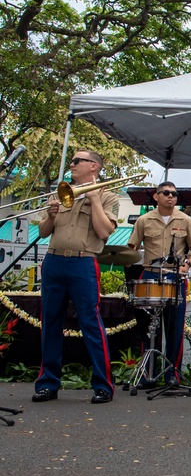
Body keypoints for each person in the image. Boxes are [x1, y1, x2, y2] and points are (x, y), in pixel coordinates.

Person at [33, 150, 120, 404]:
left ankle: (103, 385)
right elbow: (42, 232)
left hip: (83, 261)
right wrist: (50, 215)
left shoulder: (108, 196)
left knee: (90, 322)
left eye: (76, 161)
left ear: (93, 166)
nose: (71, 165)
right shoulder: (61, 191)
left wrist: (94, 200)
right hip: (54, 259)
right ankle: (48, 383)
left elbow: (104, 232)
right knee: (50, 321)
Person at [127, 181, 191, 387]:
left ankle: (171, 374)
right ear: (156, 197)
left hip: (174, 276)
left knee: (174, 327)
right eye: (166, 193)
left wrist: (186, 265)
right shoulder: (144, 220)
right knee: (149, 328)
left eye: (174, 194)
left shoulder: (186, 220)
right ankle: (148, 372)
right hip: (150, 274)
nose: (171, 197)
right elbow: (132, 248)